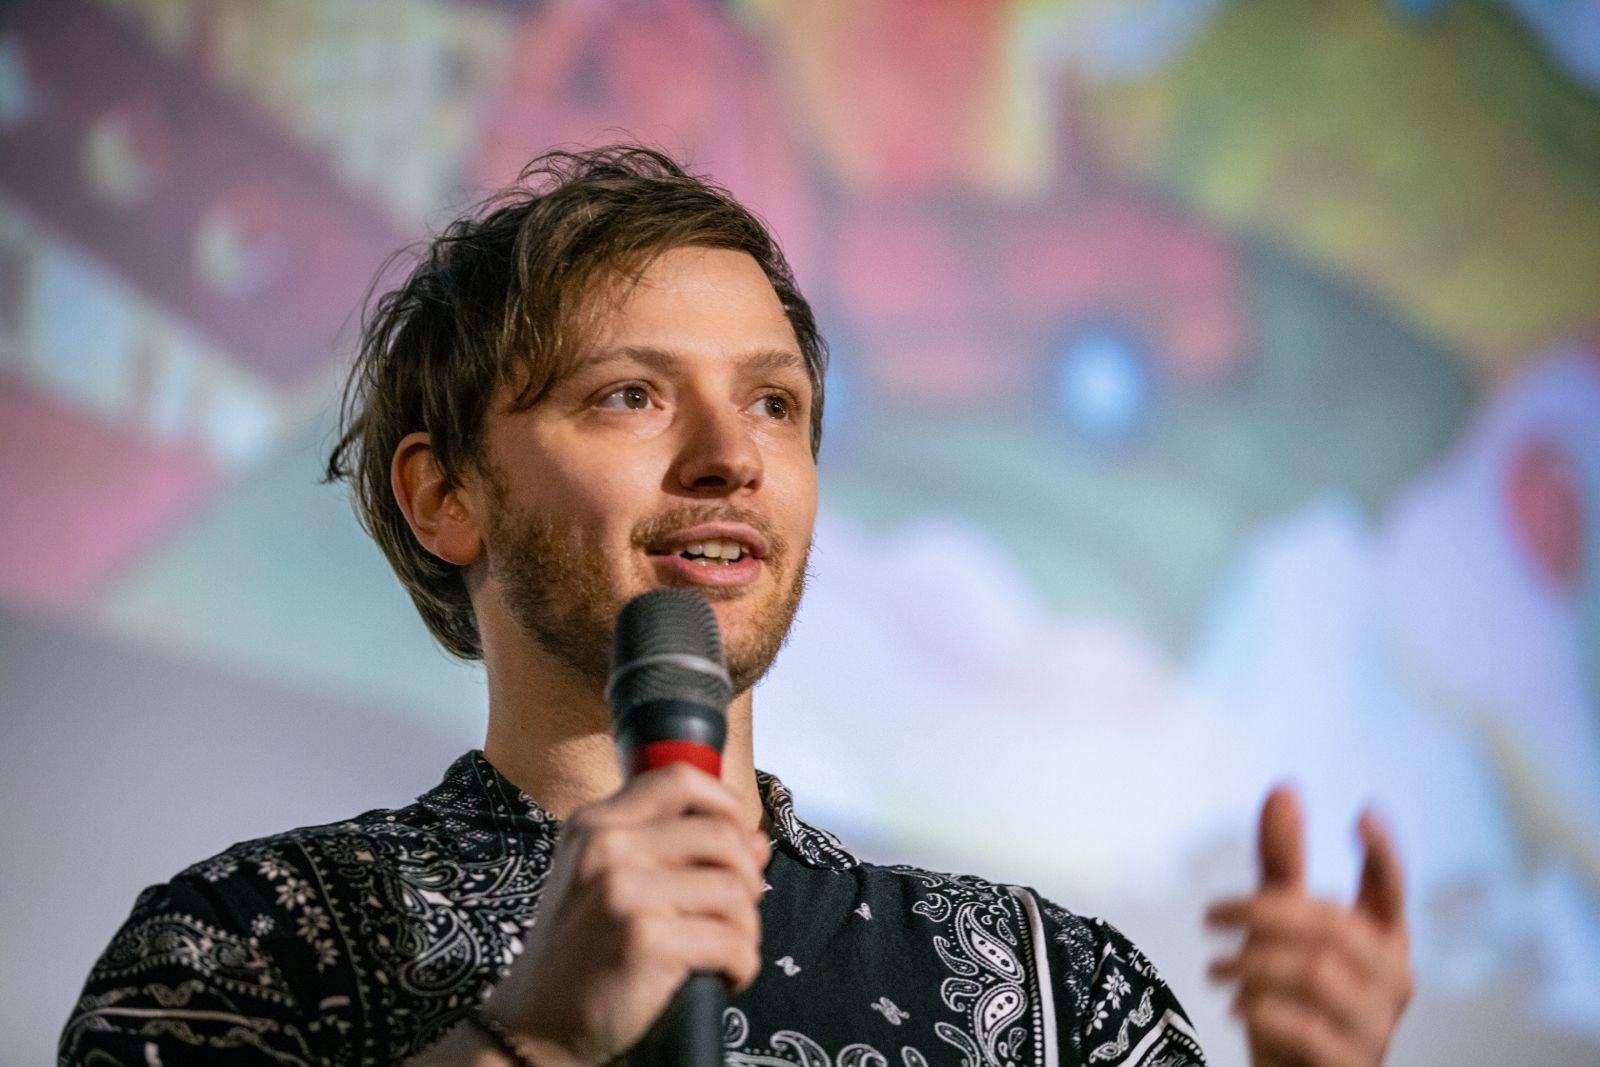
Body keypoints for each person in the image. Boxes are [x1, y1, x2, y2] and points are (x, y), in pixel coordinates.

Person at [59, 146, 1413, 1067]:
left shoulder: (1053, 997)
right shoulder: (241, 946)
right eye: (629, 396)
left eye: (773, 402)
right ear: (445, 496)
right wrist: (532, 1044)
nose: (730, 458)